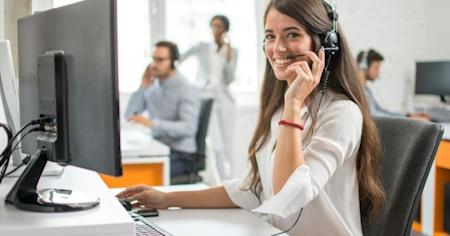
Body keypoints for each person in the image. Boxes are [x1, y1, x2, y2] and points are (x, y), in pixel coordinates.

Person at [118, 0, 384, 235]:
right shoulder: (280, 110)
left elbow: (287, 195)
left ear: (327, 45)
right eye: (270, 36)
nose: (278, 48)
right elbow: (255, 190)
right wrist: (166, 199)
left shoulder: (341, 113)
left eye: (292, 34)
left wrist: (293, 105)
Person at [125, 41, 201, 179]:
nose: (154, 64)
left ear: (173, 62)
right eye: (153, 59)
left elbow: (189, 128)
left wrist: (152, 123)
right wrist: (143, 85)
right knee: (126, 168)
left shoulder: (186, 88)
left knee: (139, 177)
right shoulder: (153, 86)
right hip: (157, 149)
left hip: (181, 155)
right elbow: (130, 115)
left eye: (160, 60)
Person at [180, 15, 238, 179]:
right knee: (216, 145)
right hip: (206, 97)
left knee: (228, 144)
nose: (215, 30)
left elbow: (230, 79)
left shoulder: (232, 51)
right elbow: (179, 58)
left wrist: (228, 59)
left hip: (225, 98)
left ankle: (232, 181)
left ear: (225, 29)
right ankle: (222, 183)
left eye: (219, 26)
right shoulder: (202, 47)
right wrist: (190, 86)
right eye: (213, 26)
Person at [357, 49, 430, 121]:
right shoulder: (358, 91)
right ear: (364, 66)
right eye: (376, 68)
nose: (378, 73)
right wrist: (410, 120)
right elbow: (375, 116)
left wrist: (409, 115)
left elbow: (381, 111)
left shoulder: (367, 90)